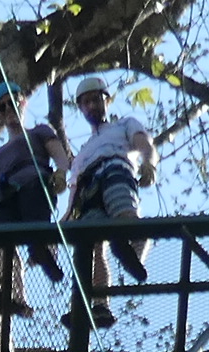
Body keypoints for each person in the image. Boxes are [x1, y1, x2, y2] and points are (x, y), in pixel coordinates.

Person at [65, 78, 156, 312]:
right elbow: (74, 189)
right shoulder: (82, 154)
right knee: (91, 246)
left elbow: (143, 143)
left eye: (96, 100)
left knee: (128, 218)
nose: (92, 106)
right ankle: (98, 304)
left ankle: (131, 257)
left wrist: (149, 164)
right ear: (81, 108)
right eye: (86, 103)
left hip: (115, 168)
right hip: (87, 187)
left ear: (106, 100)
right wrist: (67, 216)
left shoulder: (124, 124)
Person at [0, 92, 62, 315]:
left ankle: (41, 249)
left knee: (33, 211)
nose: (9, 110)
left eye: (12, 103)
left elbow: (59, 156)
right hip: (8, 196)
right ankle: (14, 295)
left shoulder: (39, 132)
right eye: (2, 107)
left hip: (35, 183)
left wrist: (63, 173)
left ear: (23, 103)